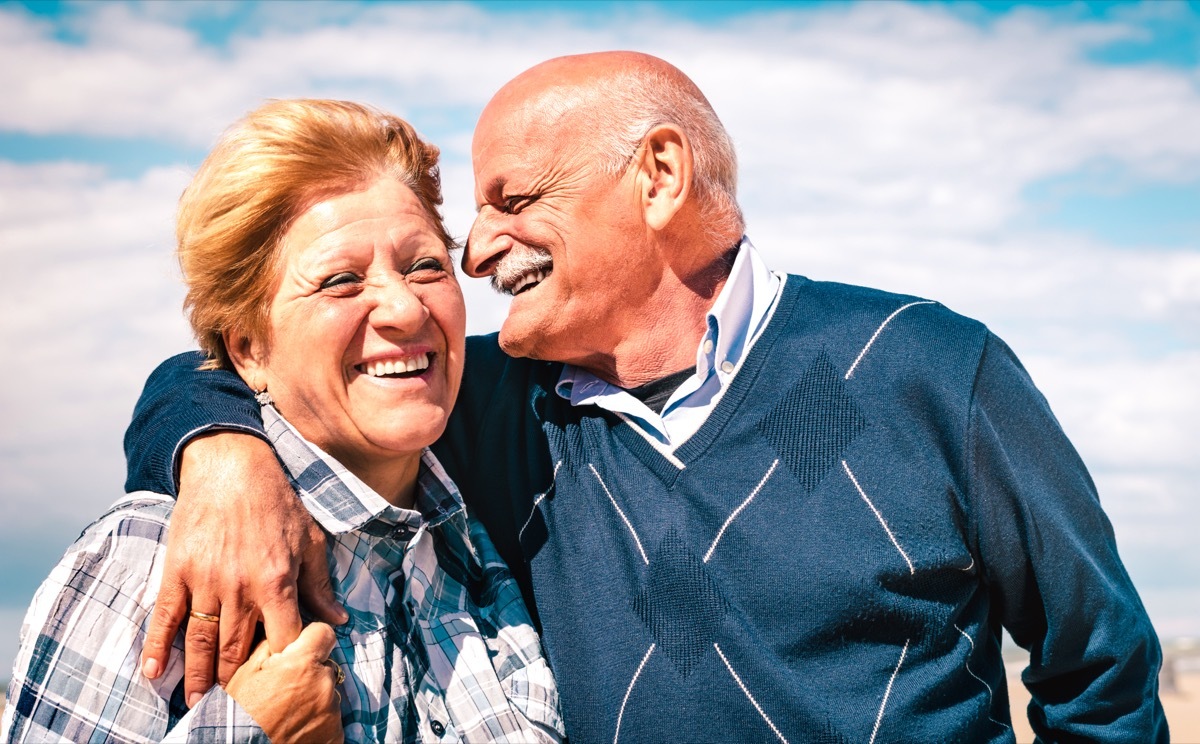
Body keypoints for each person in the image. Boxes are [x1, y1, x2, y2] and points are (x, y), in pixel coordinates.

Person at [121, 53, 1168, 742]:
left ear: (659, 173)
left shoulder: (930, 368)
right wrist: (222, 459)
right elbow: (236, 367)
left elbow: (1102, 675)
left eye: (513, 201)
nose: (475, 253)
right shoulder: (484, 408)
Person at [2, 99, 562, 743]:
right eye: (341, 280)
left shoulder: (488, 545)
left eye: (425, 266)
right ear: (249, 350)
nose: (406, 310)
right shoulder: (160, 562)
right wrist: (246, 730)